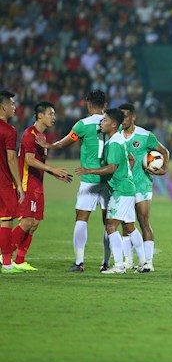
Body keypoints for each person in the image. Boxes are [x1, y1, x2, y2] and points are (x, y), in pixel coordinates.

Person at [37, 90, 110, 272]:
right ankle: (106, 263)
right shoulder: (112, 123)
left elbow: (66, 143)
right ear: (105, 105)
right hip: (110, 179)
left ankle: (79, 262)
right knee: (110, 222)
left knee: (81, 217)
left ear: (89, 104)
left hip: (89, 178)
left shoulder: (83, 125)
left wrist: (50, 146)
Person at [76, 109, 148, 274]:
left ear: (114, 124)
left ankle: (118, 265)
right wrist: (125, 174)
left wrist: (89, 171)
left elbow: (111, 167)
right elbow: (131, 159)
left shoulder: (114, 143)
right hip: (127, 187)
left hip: (121, 190)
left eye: (105, 120)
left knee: (110, 225)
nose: (101, 123)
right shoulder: (117, 140)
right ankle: (143, 262)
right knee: (129, 226)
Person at [13, 102, 72, 271]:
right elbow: (30, 160)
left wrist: (55, 174)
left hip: (38, 184)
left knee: (35, 223)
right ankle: (5, 254)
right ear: (40, 116)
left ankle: (19, 261)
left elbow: (39, 163)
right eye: (50, 114)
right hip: (28, 183)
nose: (54, 117)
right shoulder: (29, 134)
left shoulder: (42, 137)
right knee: (27, 222)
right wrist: (53, 169)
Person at [119, 103, 170, 272]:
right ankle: (128, 261)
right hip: (123, 186)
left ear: (133, 117)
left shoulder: (145, 135)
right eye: (120, 117)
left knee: (143, 222)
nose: (123, 120)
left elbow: (164, 151)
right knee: (126, 225)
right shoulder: (116, 135)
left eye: (126, 116)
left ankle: (148, 262)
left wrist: (163, 169)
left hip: (142, 184)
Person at [0, 90, 25, 274]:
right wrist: (18, 184)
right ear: (3, 107)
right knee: (6, 222)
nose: (14, 107)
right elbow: (11, 159)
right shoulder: (9, 130)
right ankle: (7, 264)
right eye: (12, 104)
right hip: (3, 183)